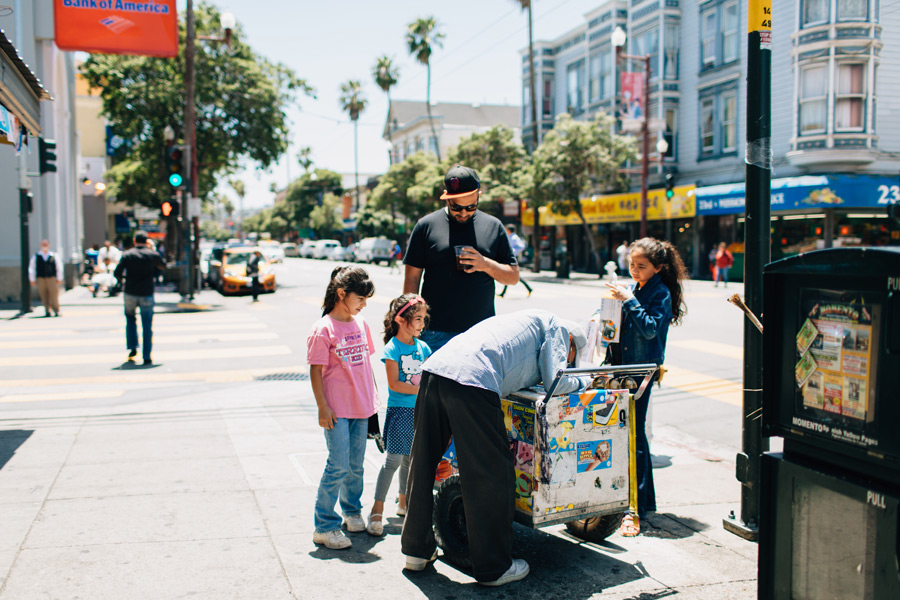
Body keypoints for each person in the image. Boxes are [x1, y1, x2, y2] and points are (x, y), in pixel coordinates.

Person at [401, 309, 590, 586]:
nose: (567, 360)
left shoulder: (524, 319)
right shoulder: (558, 327)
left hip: (435, 370)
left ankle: (416, 551)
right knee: (493, 472)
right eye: (571, 357)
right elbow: (556, 381)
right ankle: (494, 567)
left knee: (423, 461)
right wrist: (585, 380)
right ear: (571, 343)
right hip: (472, 380)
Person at [604, 238, 687, 536]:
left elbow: (650, 328)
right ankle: (642, 500)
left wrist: (629, 300)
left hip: (640, 371)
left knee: (634, 436)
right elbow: (618, 330)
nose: (635, 271)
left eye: (641, 266)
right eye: (632, 265)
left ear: (658, 267)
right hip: (623, 368)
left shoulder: (659, 293)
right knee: (630, 434)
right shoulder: (636, 289)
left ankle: (635, 507)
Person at [403, 165, 519, 352]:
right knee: (430, 382)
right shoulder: (426, 226)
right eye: (456, 207)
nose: (464, 213)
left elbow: (513, 277)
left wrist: (485, 264)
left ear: (479, 196)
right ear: (446, 197)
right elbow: (412, 278)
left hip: (482, 333)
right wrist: (409, 321)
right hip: (434, 333)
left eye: (471, 206)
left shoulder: (494, 226)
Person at [307, 266, 378, 550]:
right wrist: (323, 407)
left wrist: (373, 403)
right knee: (337, 465)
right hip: (336, 410)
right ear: (341, 294)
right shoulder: (323, 329)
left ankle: (351, 511)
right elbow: (315, 371)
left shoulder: (361, 324)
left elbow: (366, 367)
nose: (363, 305)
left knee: (356, 466)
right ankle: (324, 526)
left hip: (362, 408)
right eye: (360, 298)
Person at [366, 293, 432, 537]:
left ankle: (403, 503)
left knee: (409, 460)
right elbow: (395, 384)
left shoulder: (423, 347)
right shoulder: (392, 348)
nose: (422, 324)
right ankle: (376, 510)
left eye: (424, 319)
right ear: (401, 320)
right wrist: (422, 390)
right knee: (393, 461)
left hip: (418, 411)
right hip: (400, 411)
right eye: (417, 319)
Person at [113, 231, 164, 366]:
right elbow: (163, 266)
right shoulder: (152, 255)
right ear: (147, 241)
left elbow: (117, 272)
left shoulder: (128, 254)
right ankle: (147, 356)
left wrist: (125, 280)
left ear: (135, 241)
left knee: (130, 320)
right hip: (147, 292)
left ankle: (132, 348)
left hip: (130, 291)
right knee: (147, 324)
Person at [28, 239, 63, 317]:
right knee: (43, 294)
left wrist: (59, 278)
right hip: (41, 278)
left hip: (52, 278)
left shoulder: (53, 255)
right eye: (43, 244)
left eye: (46, 244)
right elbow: (32, 268)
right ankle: (47, 310)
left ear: (49, 245)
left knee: (54, 294)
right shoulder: (36, 256)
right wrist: (32, 279)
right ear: (41, 246)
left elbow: (59, 267)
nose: (44, 246)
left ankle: (56, 310)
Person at [497, 224, 533, 298]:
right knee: (508, 273)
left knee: (511, 273)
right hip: (509, 256)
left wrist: (513, 251)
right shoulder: (510, 237)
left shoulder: (514, 237)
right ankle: (503, 293)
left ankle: (529, 288)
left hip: (513, 257)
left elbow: (521, 246)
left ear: (509, 230)